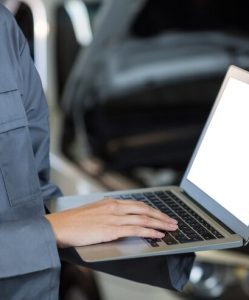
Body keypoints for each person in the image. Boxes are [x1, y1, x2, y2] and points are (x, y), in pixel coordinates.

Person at [0, 4, 183, 299]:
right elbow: (51, 227)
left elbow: (35, 197)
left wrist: (172, 235)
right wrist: (50, 233)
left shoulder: (4, 30)